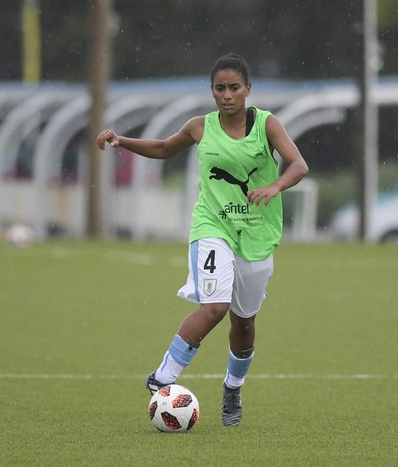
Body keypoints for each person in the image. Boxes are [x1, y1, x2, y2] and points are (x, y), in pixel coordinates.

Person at [96, 53, 309, 427]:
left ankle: (232, 387)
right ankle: (161, 379)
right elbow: (164, 148)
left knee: (244, 323)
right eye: (219, 88)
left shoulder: (267, 125)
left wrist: (275, 185)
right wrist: (121, 141)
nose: (227, 95)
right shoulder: (199, 127)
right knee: (215, 306)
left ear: (248, 90)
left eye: (234, 88)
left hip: (258, 235)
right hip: (213, 227)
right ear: (212, 91)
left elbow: (298, 165)